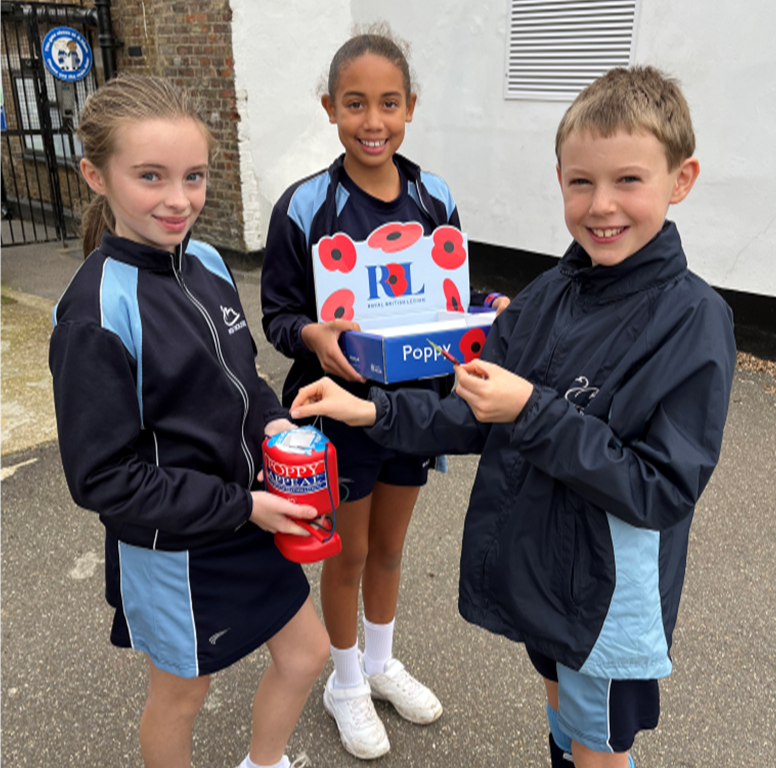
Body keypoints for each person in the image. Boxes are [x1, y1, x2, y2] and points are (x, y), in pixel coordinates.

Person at [289, 66, 737, 768]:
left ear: (680, 180)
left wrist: (532, 409)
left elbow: (661, 490)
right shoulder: (548, 296)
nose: (601, 205)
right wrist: (368, 406)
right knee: (562, 716)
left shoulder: (695, 318)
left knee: (597, 749)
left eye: (630, 180)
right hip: (544, 578)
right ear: (559, 177)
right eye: (581, 181)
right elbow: (468, 414)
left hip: (604, 600)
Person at [49, 75, 329, 768]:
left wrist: (273, 429)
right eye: (151, 176)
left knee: (307, 653)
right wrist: (244, 505)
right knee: (183, 695)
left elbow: (244, 376)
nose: (180, 200)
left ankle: (264, 763)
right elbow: (104, 481)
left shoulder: (203, 259)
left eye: (194, 176)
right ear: (96, 175)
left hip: (253, 513)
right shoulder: (93, 315)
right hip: (175, 547)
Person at [261, 23, 508, 760]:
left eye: (389, 103)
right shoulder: (306, 208)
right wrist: (316, 337)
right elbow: (278, 314)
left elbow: (447, 298)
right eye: (356, 104)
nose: (374, 122)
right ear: (330, 106)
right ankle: (343, 681)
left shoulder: (434, 196)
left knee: (392, 546)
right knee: (350, 548)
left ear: (411, 107)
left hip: (415, 408)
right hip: (338, 410)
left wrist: (484, 314)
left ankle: (379, 661)